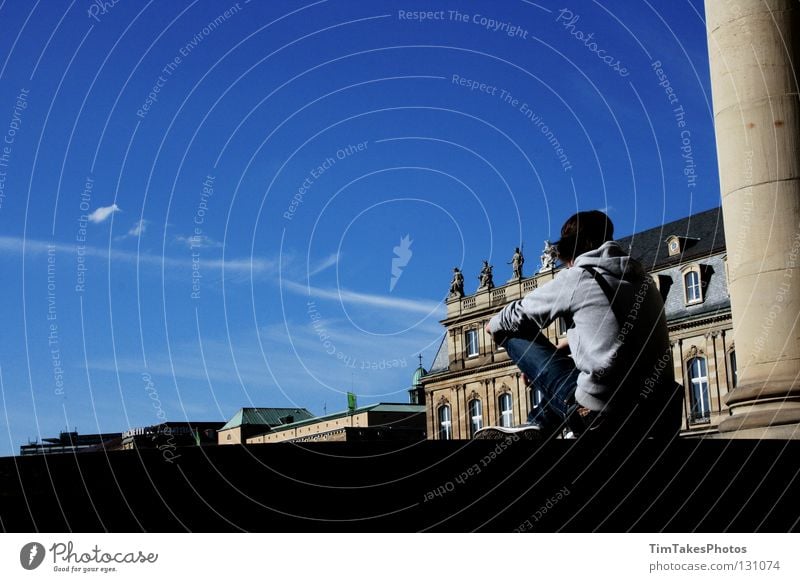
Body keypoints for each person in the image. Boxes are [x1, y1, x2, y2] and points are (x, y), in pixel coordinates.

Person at [476, 210, 681, 441]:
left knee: (506, 330)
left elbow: (501, 322)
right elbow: (618, 336)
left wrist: (536, 364)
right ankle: (538, 424)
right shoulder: (643, 280)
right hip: (659, 417)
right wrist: (561, 349)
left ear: (568, 250)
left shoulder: (579, 277)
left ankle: (540, 424)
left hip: (601, 416)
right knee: (584, 372)